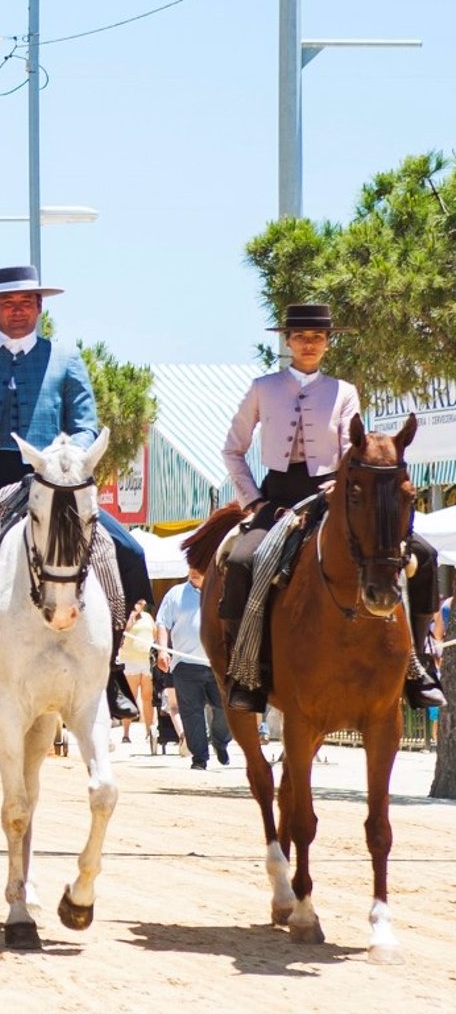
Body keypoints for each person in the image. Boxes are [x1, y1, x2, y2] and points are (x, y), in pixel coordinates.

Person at [0, 265, 149, 722]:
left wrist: (67, 461)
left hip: (51, 483)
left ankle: (113, 669)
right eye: (8, 303)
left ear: (39, 307)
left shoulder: (65, 357)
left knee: (129, 552)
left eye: (26, 303)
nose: (17, 311)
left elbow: (85, 425)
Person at [218, 302, 444, 712]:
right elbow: (233, 450)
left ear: (327, 343)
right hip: (276, 499)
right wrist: (253, 501)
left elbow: (349, 449)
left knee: (423, 556)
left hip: (330, 495)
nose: (309, 344)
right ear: (287, 341)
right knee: (240, 562)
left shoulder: (344, 391)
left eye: (318, 338)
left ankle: (419, 665)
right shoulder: (262, 387)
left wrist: (335, 493)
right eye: (301, 337)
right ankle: (244, 672)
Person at [154, 568, 230, 770]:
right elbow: (162, 623)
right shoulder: (175, 593)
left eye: (200, 566)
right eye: (192, 566)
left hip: (218, 664)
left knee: (226, 708)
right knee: (191, 713)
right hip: (185, 665)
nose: (194, 571)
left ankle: (220, 741)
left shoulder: (222, 591)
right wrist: (162, 650)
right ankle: (199, 758)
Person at [120, 598, 157, 751]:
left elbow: (154, 633)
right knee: (131, 696)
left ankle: (149, 732)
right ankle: (126, 733)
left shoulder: (148, 617)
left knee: (147, 697)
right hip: (130, 661)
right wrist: (132, 616)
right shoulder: (127, 616)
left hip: (146, 661)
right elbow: (123, 633)